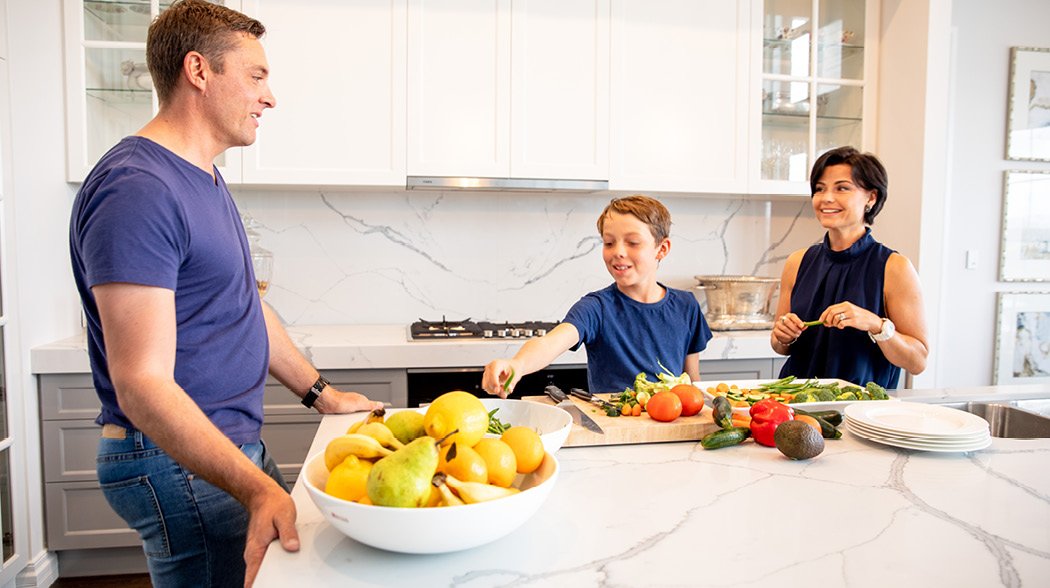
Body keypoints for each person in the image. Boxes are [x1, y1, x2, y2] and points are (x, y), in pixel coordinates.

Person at [67, 2, 384, 585]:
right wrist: (257, 486)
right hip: (174, 461)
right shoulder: (138, 190)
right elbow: (141, 384)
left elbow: (243, 306)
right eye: (257, 76)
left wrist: (323, 394)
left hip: (222, 449)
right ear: (199, 70)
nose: (270, 97)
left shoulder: (202, 177)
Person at [482, 195, 712, 396]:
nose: (618, 252)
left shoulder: (686, 306)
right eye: (609, 243)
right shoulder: (596, 308)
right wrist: (517, 364)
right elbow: (550, 343)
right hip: (613, 426)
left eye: (632, 242)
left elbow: (692, 380)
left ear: (661, 249)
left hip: (673, 425)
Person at [770, 146, 928, 389]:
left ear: (871, 197)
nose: (827, 198)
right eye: (820, 189)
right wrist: (783, 335)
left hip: (861, 413)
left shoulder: (894, 268)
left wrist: (876, 325)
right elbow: (781, 347)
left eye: (842, 188)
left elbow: (917, 361)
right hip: (794, 407)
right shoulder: (797, 262)